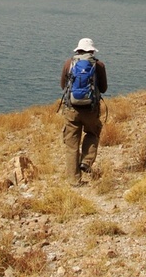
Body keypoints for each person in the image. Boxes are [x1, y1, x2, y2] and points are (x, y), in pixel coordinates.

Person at [59, 37, 108, 185]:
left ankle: (74, 180)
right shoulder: (98, 65)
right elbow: (104, 88)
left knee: (72, 145)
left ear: (78, 49)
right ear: (92, 50)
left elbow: (63, 86)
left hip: (71, 109)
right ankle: (86, 161)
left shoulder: (69, 63)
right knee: (93, 133)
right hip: (91, 110)